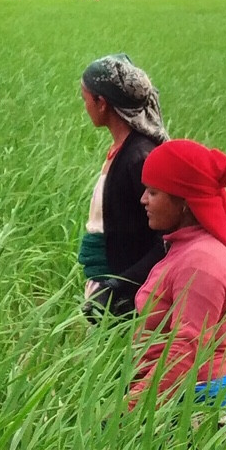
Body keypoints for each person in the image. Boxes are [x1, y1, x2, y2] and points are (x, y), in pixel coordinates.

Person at [127, 139, 226, 410]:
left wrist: (129, 410)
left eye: (153, 192)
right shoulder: (187, 247)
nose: (143, 199)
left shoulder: (201, 263)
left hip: (194, 404)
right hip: (178, 394)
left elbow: (184, 352)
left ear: (183, 202)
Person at [76, 53, 169, 319]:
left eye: (86, 99)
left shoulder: (139, 158)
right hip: (109, 283)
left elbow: (164, 238)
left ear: (101, 103)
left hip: (125, 293)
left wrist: (119, 286)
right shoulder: (124, 150)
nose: (86, 107)